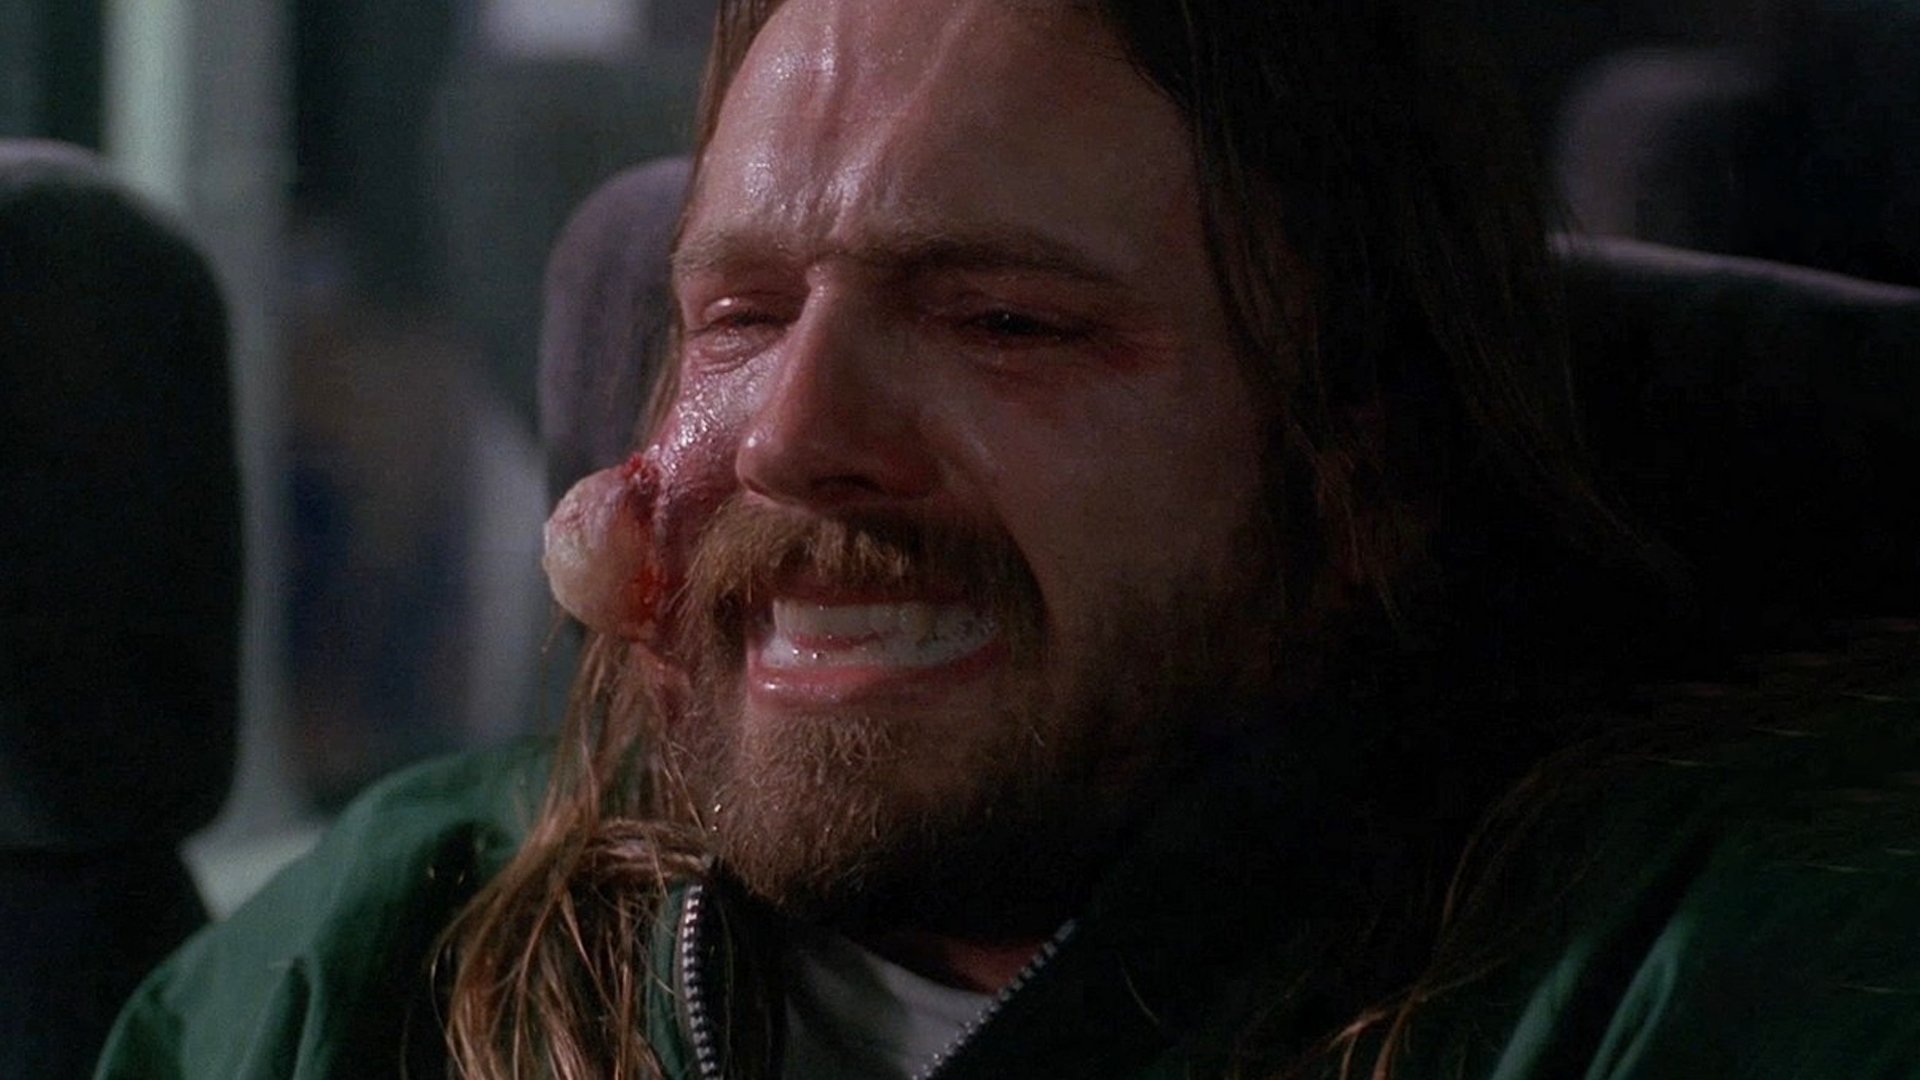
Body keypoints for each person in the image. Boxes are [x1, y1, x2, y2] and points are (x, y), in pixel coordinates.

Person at [97, 1, 1920, 1078]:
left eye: (1006, 323)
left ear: (1362, 474)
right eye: (740, 316)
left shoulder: (1726, 973)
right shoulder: (388, 952)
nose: (793, 439)